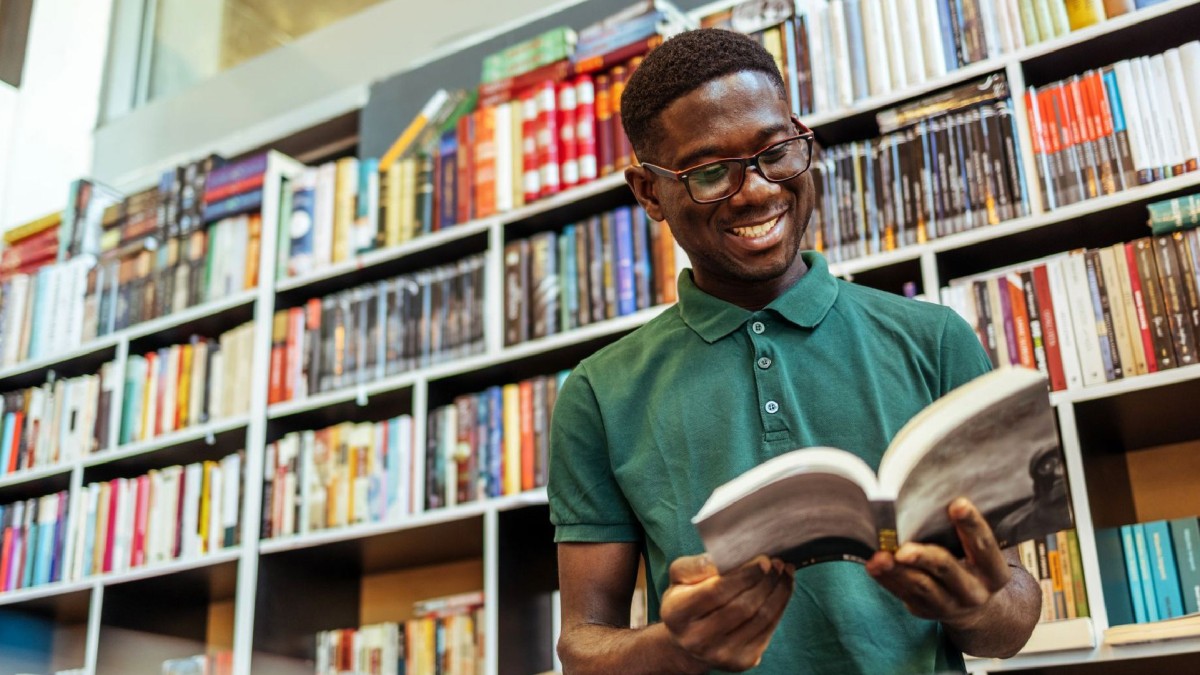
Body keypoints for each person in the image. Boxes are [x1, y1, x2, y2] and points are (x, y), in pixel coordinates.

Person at [547, 28, 1042, 674]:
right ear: (649, 193)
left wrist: (976, 606)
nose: (755, 190)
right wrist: (679, 649)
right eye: (709, 171)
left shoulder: (936, 339)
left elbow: (1013, 612)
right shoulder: (597, 394)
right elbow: (581, 647)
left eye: (775, 151)